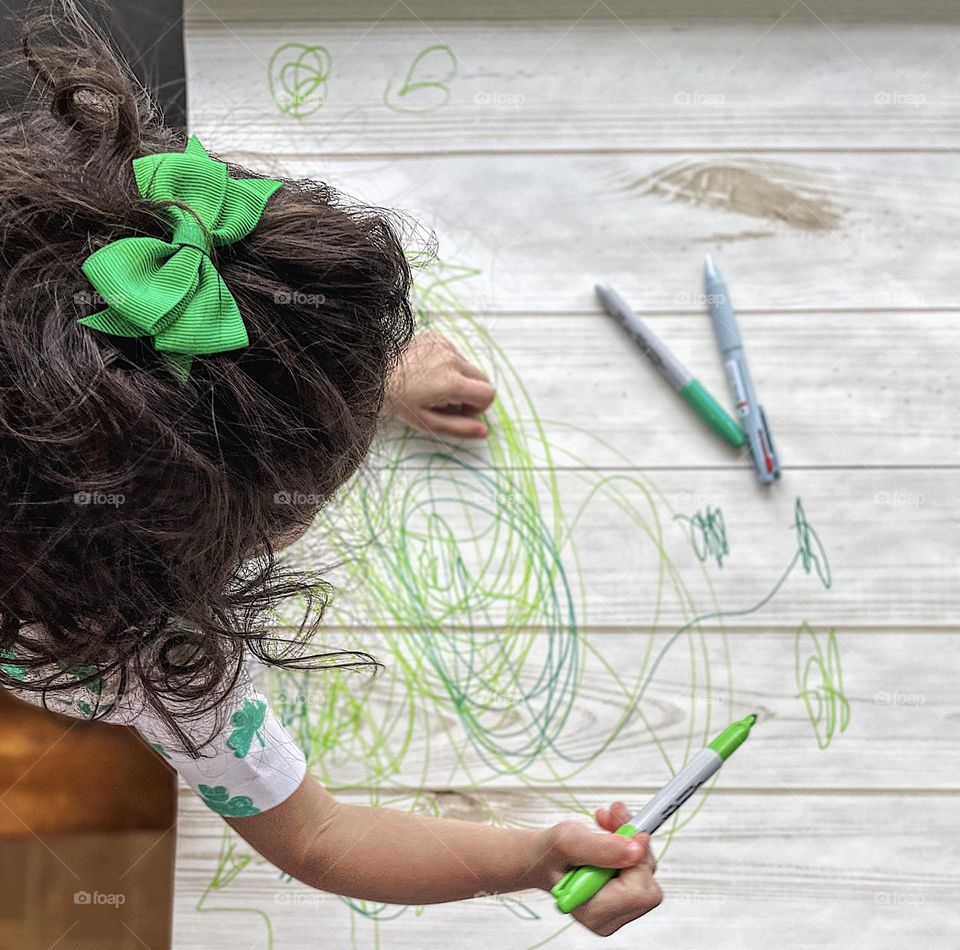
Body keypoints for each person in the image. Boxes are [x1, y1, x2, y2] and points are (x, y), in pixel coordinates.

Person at [0, 3, 661, 937]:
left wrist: (340, 370)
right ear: (244, 529)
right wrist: (539, 853)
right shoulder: (156, 658)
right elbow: (320, 838)